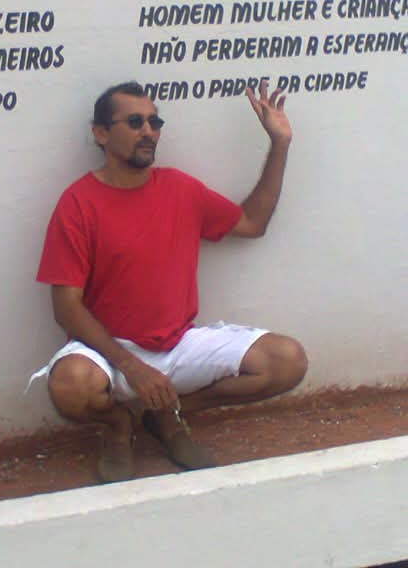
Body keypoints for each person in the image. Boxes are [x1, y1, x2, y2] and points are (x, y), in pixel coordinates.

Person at [34, 80, 307, 482]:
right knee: (69, 387)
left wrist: (280, 144)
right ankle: (118, 424)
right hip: (108, 353)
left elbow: (252, 223)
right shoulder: (78, 204)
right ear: (101, 133)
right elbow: (66, 308)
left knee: (287, 361)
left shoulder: (180, 189)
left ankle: (167, 413)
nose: (148, 131)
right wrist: (132, 367)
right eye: (134, 122)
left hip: (177, 345)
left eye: (154, 122)